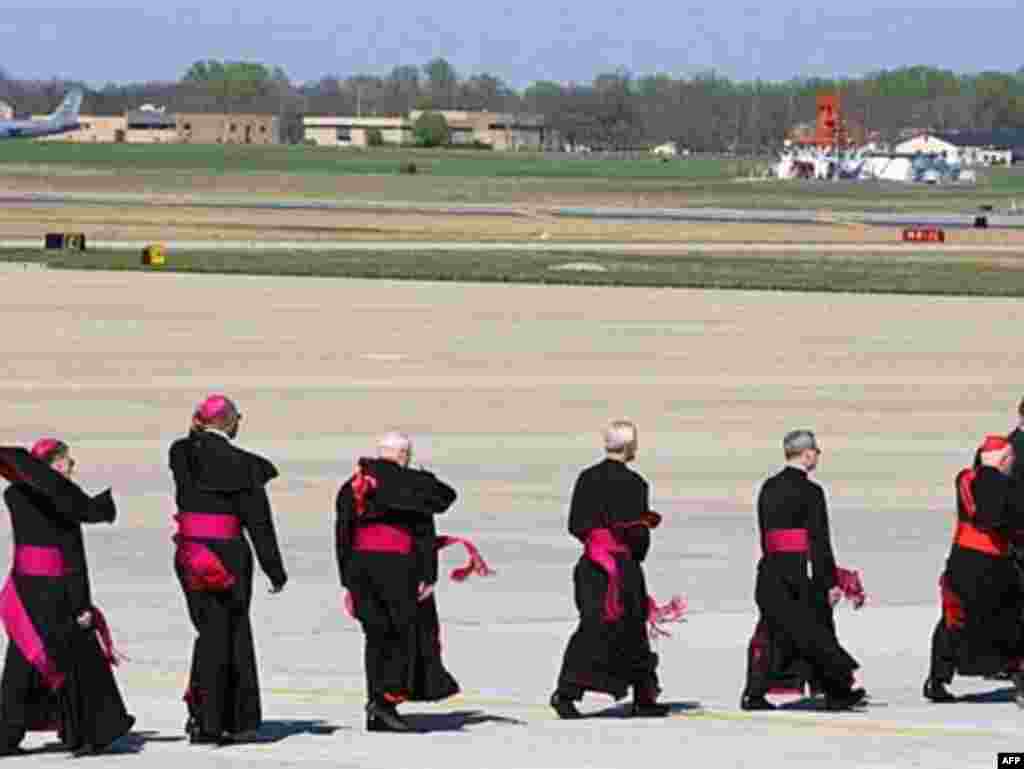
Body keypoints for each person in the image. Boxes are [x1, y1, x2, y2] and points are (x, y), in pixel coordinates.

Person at [335, 432, 488, 733]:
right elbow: (430, 523)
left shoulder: (352, 486)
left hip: (361, 569)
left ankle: (378, 703)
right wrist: (428, 575)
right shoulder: (412, 487)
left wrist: (347, 579)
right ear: (405, 455)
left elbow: (343, 534)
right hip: (399, 570)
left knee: (376, 636)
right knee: (401, 634)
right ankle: (384, 702)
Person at [0, 439, 134, 756]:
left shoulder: (14, 494)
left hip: (24, 587)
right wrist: (82, 605)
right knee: (77, 657)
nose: (72, 466)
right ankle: (87, 733)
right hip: (57, 590)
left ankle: (5, 734)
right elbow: (73, 559)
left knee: (23, 656)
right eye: (67, 461)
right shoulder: (65, 502)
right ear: (55, 465)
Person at [170, 395, 288, 745]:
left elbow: (194, 445)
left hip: (191, 552)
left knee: (207, 631)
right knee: (230, 633)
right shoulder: (245, 465)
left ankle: (203, 715)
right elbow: (259, 523)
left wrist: (198, 427)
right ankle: (223, 719)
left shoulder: (181, 453)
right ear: (231, 422)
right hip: (228, 555)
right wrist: (274, 570)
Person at [550, 420, 672, 719]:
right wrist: (630, 551)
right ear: (630, 447)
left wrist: (597, 542)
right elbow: (639, 536)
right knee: (631, 628)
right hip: (623, 565)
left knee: (594, 626)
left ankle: (568, 693)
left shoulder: (587, 478)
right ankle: (642, 696)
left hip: (593, 564)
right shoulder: (636, 484)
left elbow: (575, 525)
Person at [741, 430, 866, 712]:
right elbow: (819, 540)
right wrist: (830, 582)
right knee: (817, 631)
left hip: (772, 569)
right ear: (807, 453)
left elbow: (765, 534)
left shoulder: (768, 487)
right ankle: (837, 690)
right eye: (816, 452)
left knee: (774, 633)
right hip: (801, 571)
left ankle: (755, 692)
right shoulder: (811, 491)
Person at [923, 435, 1024, 705]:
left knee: (953, 618)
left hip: (961, 559)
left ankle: (937, 678)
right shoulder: (1005, 485)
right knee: (1013, 618)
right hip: (993, 562)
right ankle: (1019, 678)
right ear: (1004, 459)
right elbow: (999, 521)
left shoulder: (964, 479)